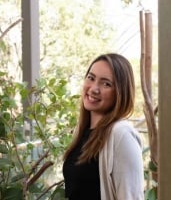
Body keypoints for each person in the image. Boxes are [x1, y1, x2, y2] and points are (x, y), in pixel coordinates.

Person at [62, 53, 144, 200]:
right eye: (91, 78)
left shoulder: (121, 135)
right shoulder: (81, 132)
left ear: (120, 93)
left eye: (106, 83)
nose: (94, 88)